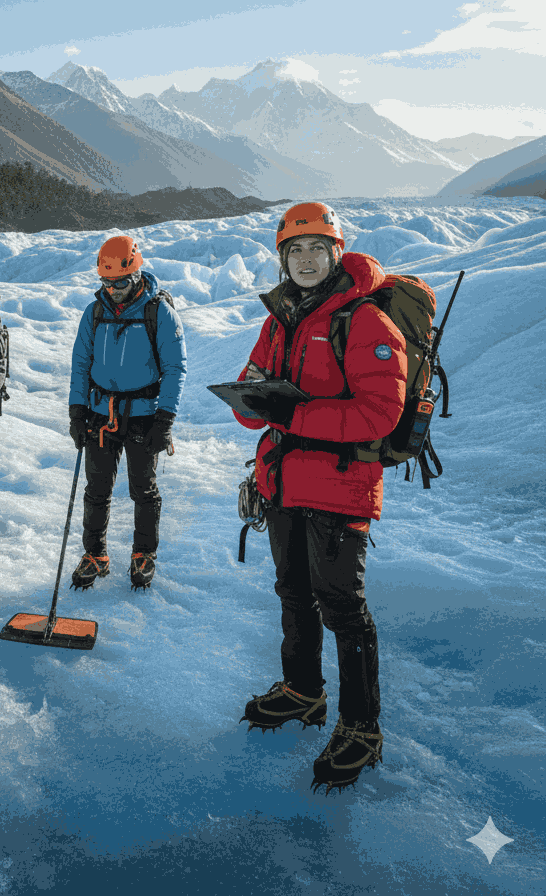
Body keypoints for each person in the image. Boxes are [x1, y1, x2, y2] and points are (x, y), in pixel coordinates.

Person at [232, 201, 407, 793]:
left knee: (343, 607)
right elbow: (257, 407)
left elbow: (382, 412)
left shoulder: (364, 321)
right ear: (283, 258)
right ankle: (303, 691)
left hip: (340, 484)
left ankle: (361, 726)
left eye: (316, 249)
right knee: (294, 593)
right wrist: (253, 401)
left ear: (336, 253)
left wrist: (296, 412)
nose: (305, 260)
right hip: (283, 480)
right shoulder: (279, 317)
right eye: (294, 251)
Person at [67, 235, 187, 590]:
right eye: (106, 282)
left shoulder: (158, 311)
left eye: (119, 282)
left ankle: (143, 553)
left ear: (135, 274)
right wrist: (77, 410)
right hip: (100, 415)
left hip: (144, 415)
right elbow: (80, 364)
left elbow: (175, 368)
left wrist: (165, 420)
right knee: (97, 490)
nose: (113, 289)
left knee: (143, 490)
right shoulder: (95, 311)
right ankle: (95, 555)